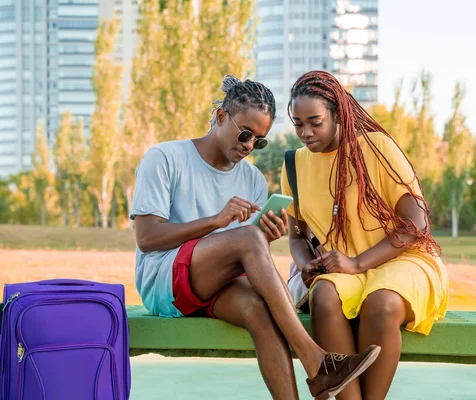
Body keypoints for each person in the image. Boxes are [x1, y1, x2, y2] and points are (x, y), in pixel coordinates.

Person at [130, 75, 380, 400]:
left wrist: (266, 237)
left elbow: (244, 254)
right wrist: (218, 221)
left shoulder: (252, 179)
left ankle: (313, 382)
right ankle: (317, 362)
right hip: (164, 280)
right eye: (245, 133)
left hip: (217, 283)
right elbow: (147, 238)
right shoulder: (165, 158)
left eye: (258, 141)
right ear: (221, 117)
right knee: (248, 238)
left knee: (260, 308)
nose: (249, 146)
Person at [282, 71, 449, 400]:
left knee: (382, 302)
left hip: (403, 259)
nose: (306, 133)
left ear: (337, 113)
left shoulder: (376, 147)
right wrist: (306, 264)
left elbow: (416, 223)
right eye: (298, 124)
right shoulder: (294, 164)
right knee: (324, 296)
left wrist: (358, 263)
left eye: (315, 121)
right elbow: (297, 236)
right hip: (347, 267)